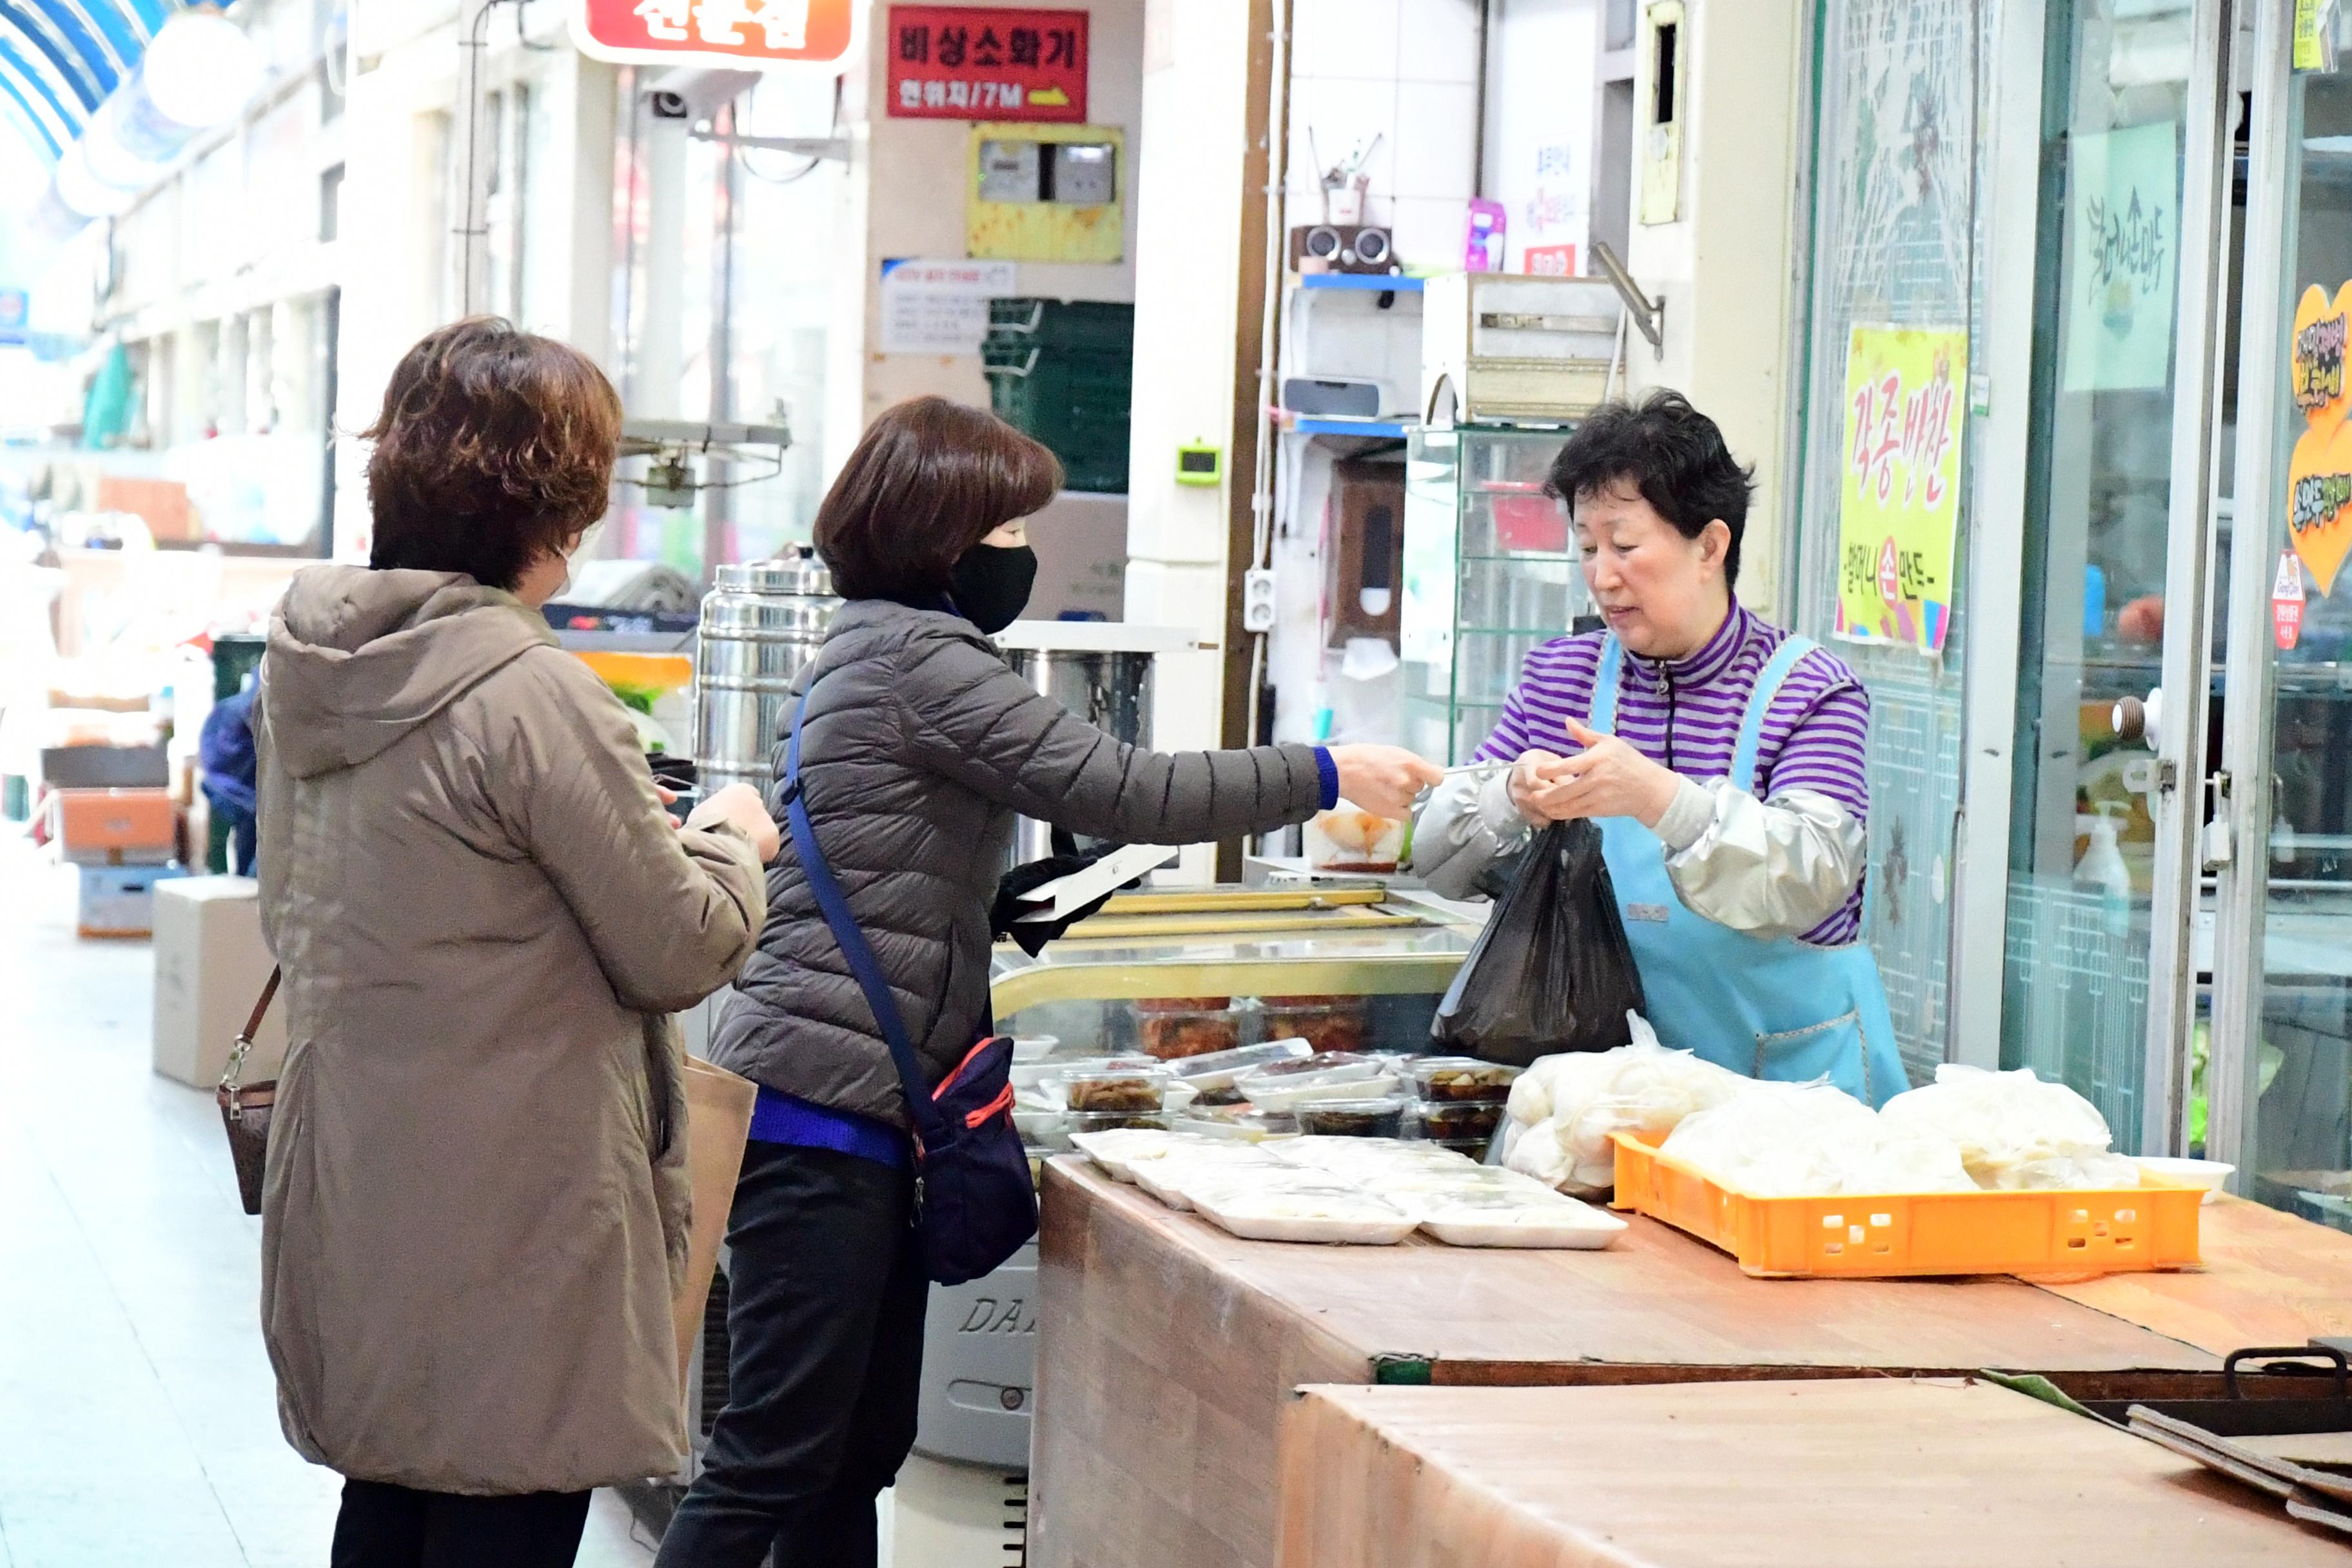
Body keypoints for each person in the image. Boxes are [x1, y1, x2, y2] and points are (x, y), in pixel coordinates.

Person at [656, 396, 1440, 1567]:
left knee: (847, 1456)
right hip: (826, 1113)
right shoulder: (922, 657)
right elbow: (1120, 785)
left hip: (845, 1104)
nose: (1024, 557)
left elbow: (897, 857)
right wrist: (1323, 769)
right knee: (772, 1459)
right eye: (1012, 533)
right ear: (943, 540)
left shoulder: (866, 643)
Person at [251, 318, 781, 1568]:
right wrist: (726, 840)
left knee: (391, 1497)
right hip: (515, 1201)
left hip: (364, 1171)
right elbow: (680, 946)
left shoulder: (316, 663)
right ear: (551, 504)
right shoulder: (531, 692)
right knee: (508, 1498)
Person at [1413, 390, 1906, 1106]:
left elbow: (1812, 874)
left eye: (1625, 544)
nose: (1602, 574)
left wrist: (1660, 799)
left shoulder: (1812, 691)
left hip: (1786, 1097)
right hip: (1608, 1098)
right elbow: (1435, 853)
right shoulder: (1564, 677)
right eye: (1586, 546)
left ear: (1710, 545)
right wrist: (1510, 794)